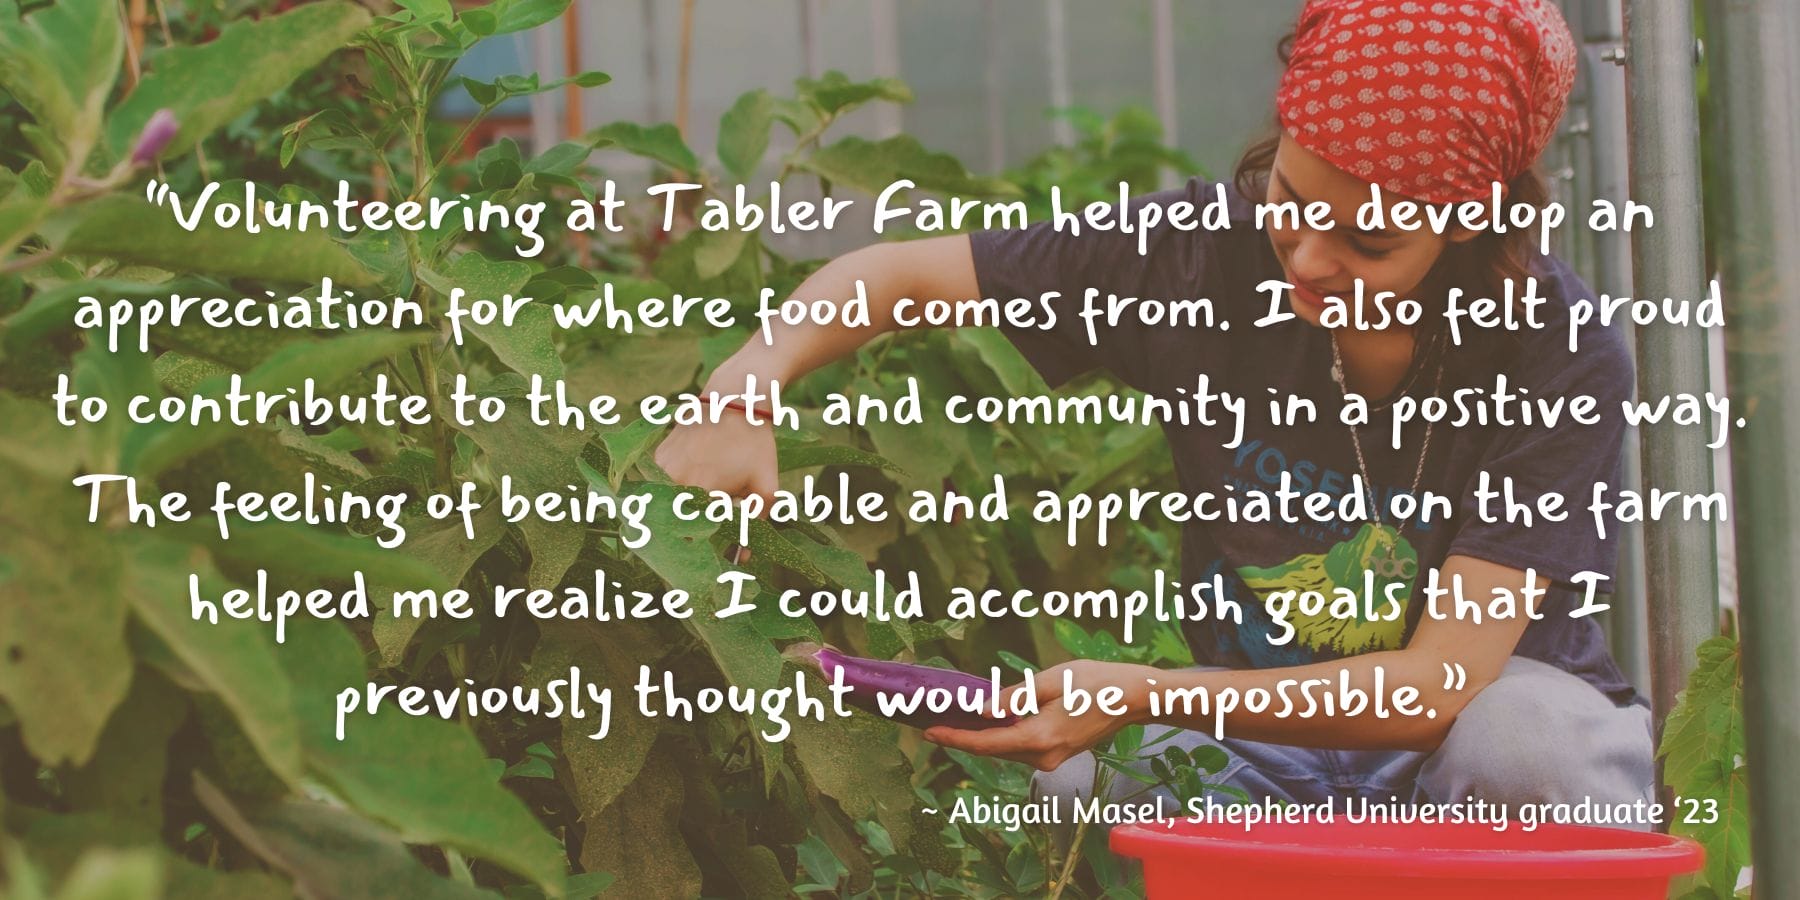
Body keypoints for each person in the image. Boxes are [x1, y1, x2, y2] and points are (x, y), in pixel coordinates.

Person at [656, 0, 1656, 822]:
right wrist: (748, 383)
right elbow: (899, 275)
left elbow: (1436, 688)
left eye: (1367, 243)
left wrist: (1141, 690)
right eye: (1292, 200)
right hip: (1262, 752)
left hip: (1462, 751)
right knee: (1074, 785)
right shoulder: (1194, 257)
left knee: (1531, 751)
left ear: (1468, 223)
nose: (1309, 261)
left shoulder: (1553, 349)